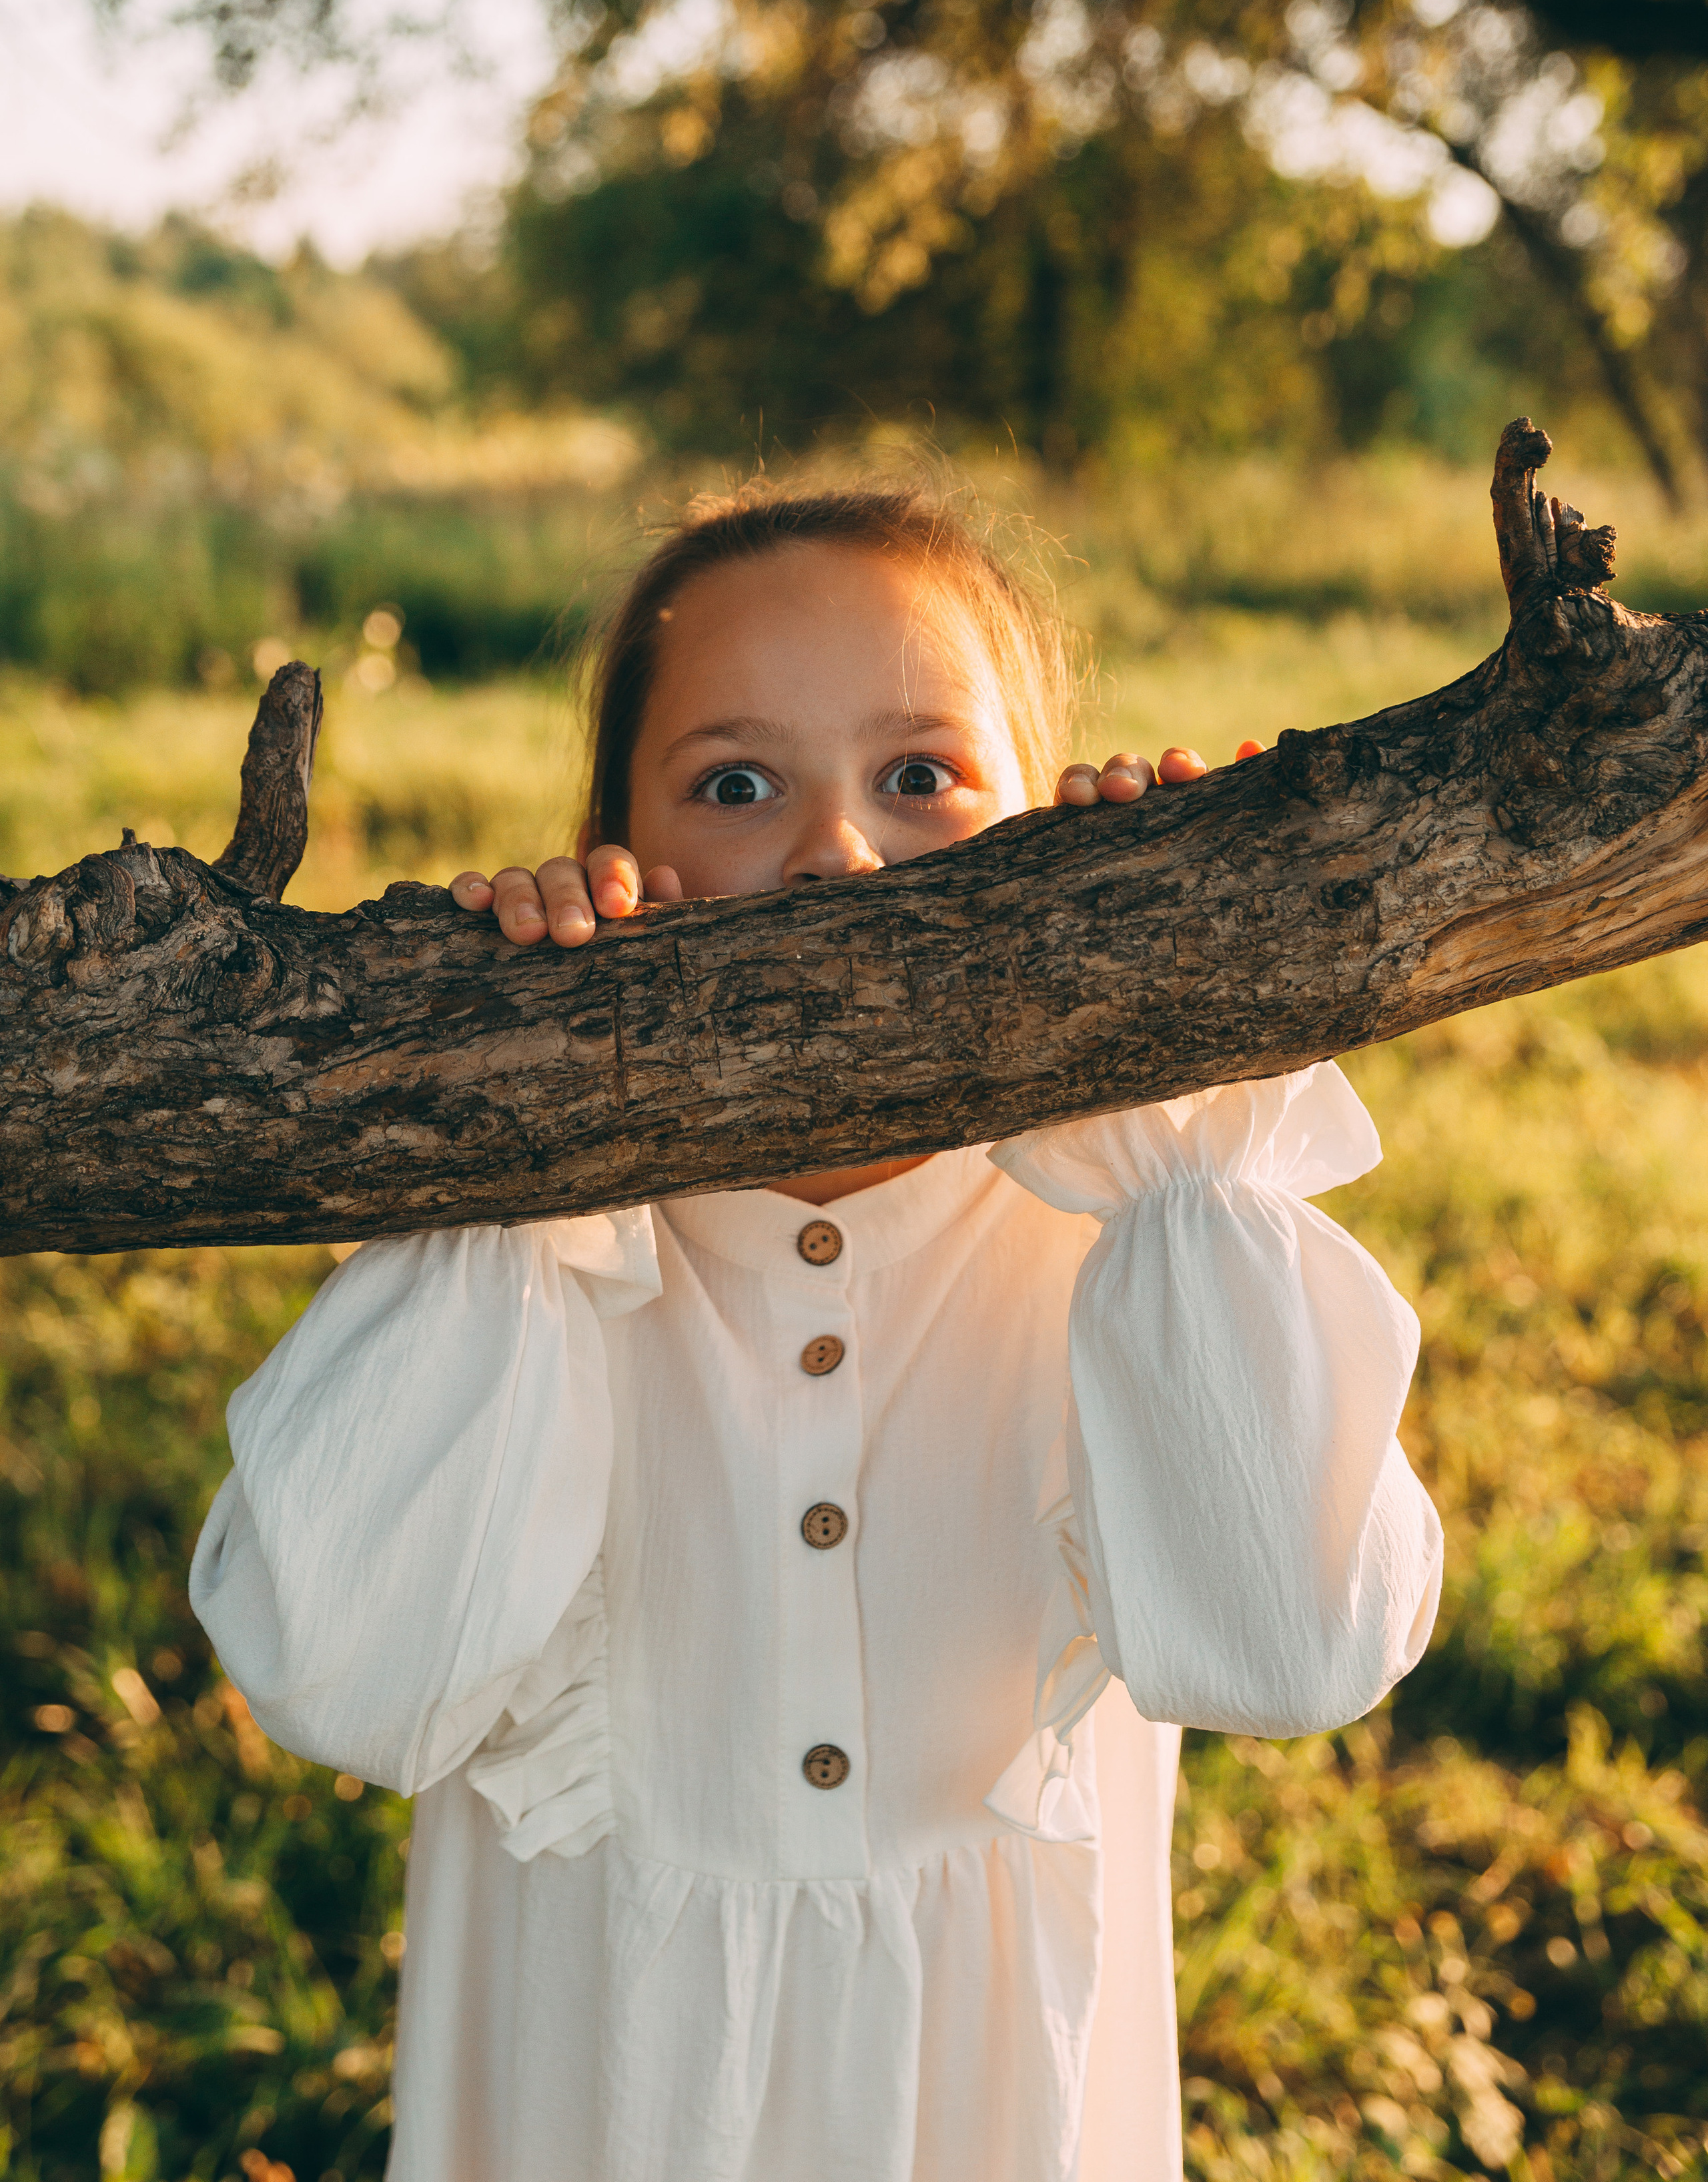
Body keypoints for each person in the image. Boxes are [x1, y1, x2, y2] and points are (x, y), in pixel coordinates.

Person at [191, 486, 1443, 2182]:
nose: (837, 854)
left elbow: (1292, 1646)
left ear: (1046, 819)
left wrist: (1173, 1066)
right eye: (734, 784)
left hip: (996, 2108)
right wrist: (526, 1117)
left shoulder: (1136, 1223)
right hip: (587, 2088)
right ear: (609, 845)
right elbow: (336, 1671)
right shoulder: (532, 1259)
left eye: (922, 774)